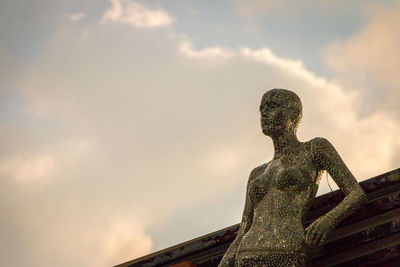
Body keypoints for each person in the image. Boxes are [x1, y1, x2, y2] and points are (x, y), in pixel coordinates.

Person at [218, 89, 367, 267]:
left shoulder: (314, 148)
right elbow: (243, 229)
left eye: (272, 106)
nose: (264, 114)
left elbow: (356, 194)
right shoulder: (256, 173)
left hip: (287, 251)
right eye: (261, 109)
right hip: (246, 254)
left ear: (294, 113)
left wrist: (326, 221)